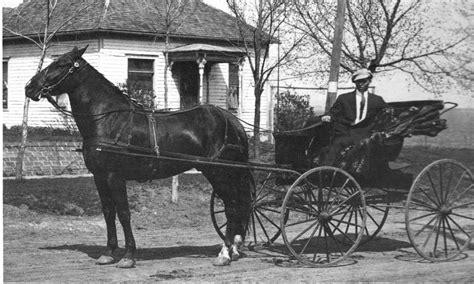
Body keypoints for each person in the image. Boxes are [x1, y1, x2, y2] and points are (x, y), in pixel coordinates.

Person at [320, 68, 388, 166]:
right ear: (355, 83)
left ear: (369, 81)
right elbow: (333, 112)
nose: (361, 84)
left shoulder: (377, 100)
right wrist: (328, 116)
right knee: (335, 146)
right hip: (345, 134)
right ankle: (325, 171)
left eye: (364, 81)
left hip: (365, 135)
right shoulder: (344, 98)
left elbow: (388, 111)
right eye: (358, 82)